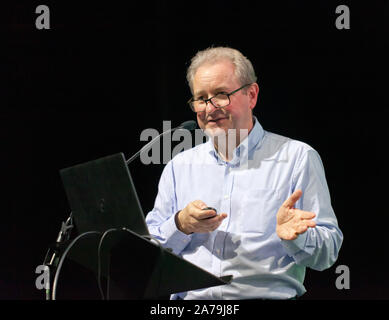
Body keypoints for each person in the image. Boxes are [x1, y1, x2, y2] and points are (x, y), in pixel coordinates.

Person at [145, 47, 343, 299]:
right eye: (201, 98)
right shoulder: (179, 166)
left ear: (251, 95)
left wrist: (297, 238)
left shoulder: (297, 158)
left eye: (221, 95)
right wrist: (180, 225)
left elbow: (328, 253)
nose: (209, 108)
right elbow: (147, 254)